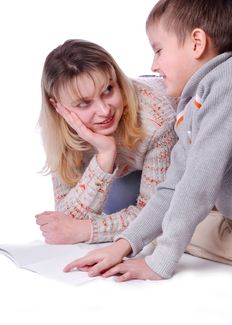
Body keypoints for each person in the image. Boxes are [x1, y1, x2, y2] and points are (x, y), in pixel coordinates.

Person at [64, 0, 232, 281]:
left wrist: (160, 262)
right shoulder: (195, 104)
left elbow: (197, 187)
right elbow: (171, 187)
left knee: (179, 227)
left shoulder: (225, 84)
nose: (153, 65)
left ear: (196, 43)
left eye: (158, 50)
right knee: (175, 223)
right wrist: (123, 244)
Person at [35, 39, 177, 245]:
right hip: (126, 172)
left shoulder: (156, 120)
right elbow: (66, 221)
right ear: (58, 107)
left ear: (117, 80)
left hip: (180, 155)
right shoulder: (59, 128)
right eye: (84, 103)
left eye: (108, 90)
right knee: (115, 201)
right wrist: (105, 155)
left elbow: (154, 215)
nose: (104, 111)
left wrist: (87, 231)